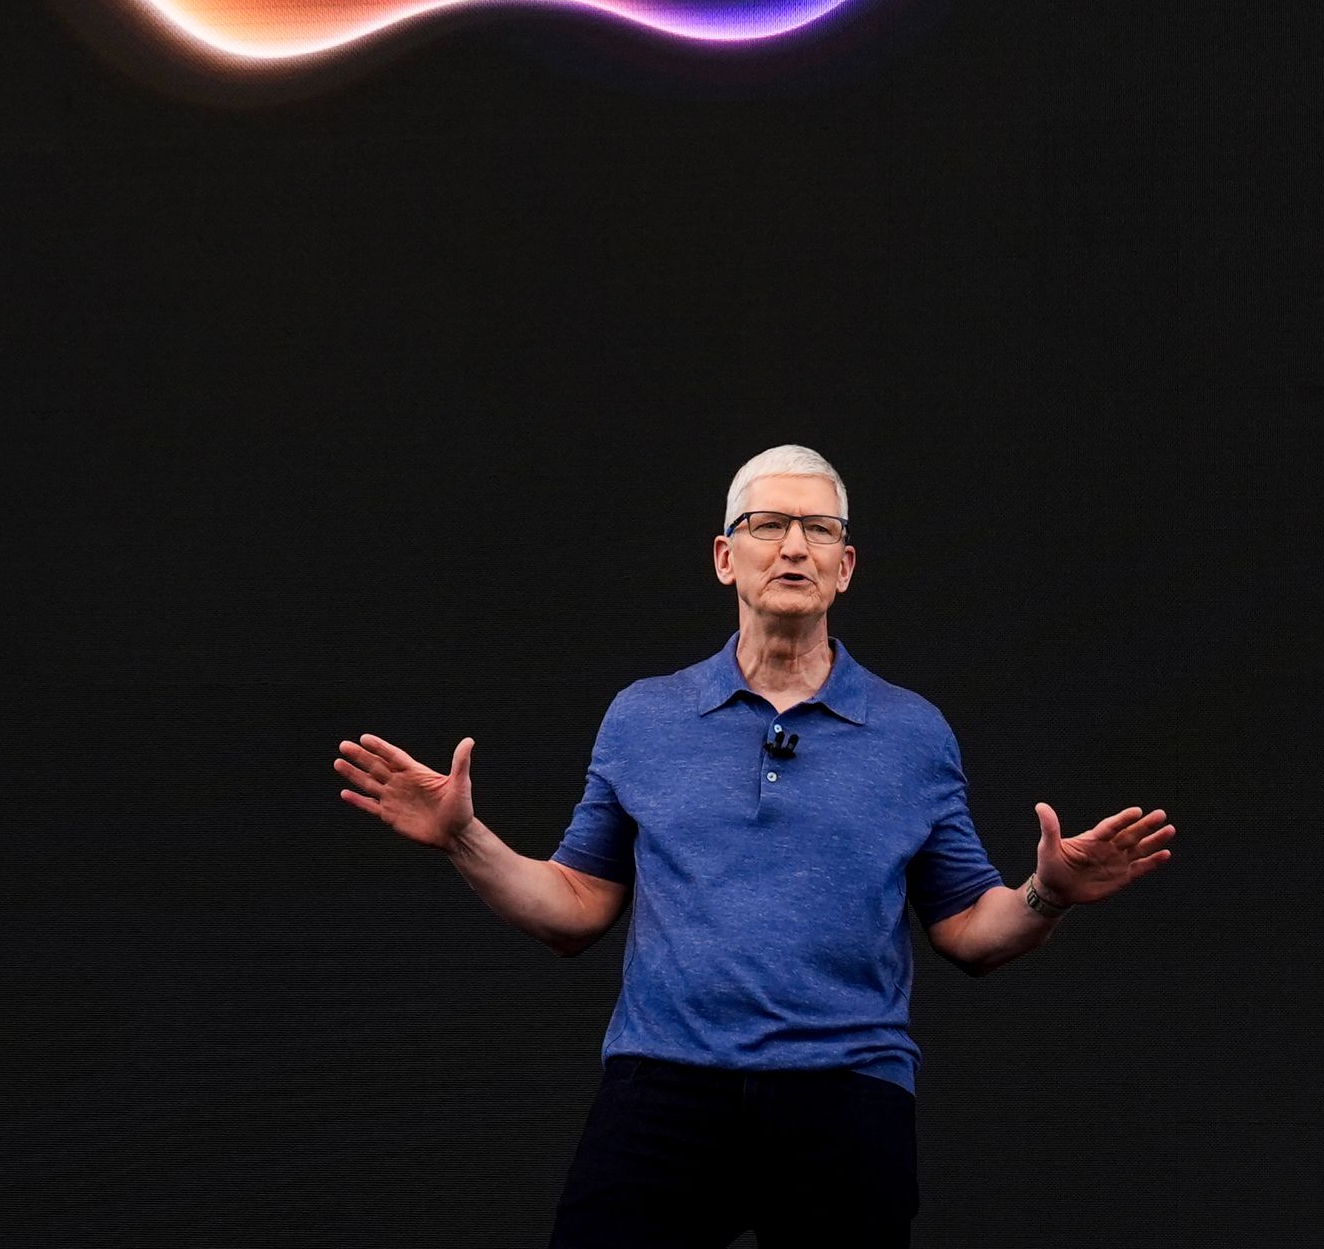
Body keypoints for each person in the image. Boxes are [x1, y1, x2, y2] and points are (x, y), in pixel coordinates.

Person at [333, 443, 1176, 1246]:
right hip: (663, 1088)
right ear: (724, 557)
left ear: (845, 568)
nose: (794, 547)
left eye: (820, 530)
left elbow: (970, 932)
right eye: (767, 525)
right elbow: (574, 909)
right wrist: (464, 839)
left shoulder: (913, 733)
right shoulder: (644, 716)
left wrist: (1048, 893)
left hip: (847, 1096)